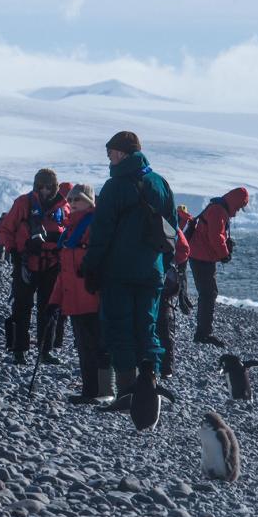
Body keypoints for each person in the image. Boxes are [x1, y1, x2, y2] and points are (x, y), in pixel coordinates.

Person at [80, 131, 177, 398]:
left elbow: (101, 233)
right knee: (147, 327)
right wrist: (163, 264)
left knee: (119, 327)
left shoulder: (114, 187)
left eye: (110, 152)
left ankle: (127, 393)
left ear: (122, 153)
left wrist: (91, 267)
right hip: (152, 271)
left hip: (118, 273)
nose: (109, 158)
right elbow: (172, 232)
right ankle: (150, 386)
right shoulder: (160, 183)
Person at [48, 184, 111, 403]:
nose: (72, 203)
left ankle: (104, 392)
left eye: (78, 199)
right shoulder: (71, 230)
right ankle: (89, 391)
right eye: (71, 199)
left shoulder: (95, 225)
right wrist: (54, 301)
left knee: (99, 346)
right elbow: (64, 272)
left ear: (90, 202)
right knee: (84, 347)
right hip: (76, 300)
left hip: (93, 298)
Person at [0, 169, 70, 365]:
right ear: (36, 186)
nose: (46, 191)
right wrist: (13, 251)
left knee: (49, 308)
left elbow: (69, 231)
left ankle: (45, 350)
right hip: (26, 262)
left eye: (50, 187)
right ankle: (18, 350)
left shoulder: (63, 208)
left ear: (56, 187)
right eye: (42, 186)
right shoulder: (24, 203)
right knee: (21, 306)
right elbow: (6, 229)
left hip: (52, 264)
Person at [186, 187, 249, 347]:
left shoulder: (219, 208)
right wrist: (224, 254)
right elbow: (216, 236)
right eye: (240, 206)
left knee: (208, 293)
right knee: (208, 293)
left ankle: (204, 332)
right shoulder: (218, 211)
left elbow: (216, 235)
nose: (239, 210)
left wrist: (223, 252)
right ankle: (203, 334)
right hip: (201, 257)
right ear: (235, 202)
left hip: (201, 255)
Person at [157, 226, 190, 379]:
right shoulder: (169, 222)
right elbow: (184, 250)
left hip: (142, 278)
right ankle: (166, 367)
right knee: (165, 323)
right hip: (166, 280)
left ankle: (147, 365)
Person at [175, 205, 195, 314]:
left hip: (177, 250)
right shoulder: (188, 220)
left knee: (180, 275)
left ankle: (183, 298)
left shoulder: (175, 217)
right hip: (181, 252)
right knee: (182, 275)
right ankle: (183, 299)